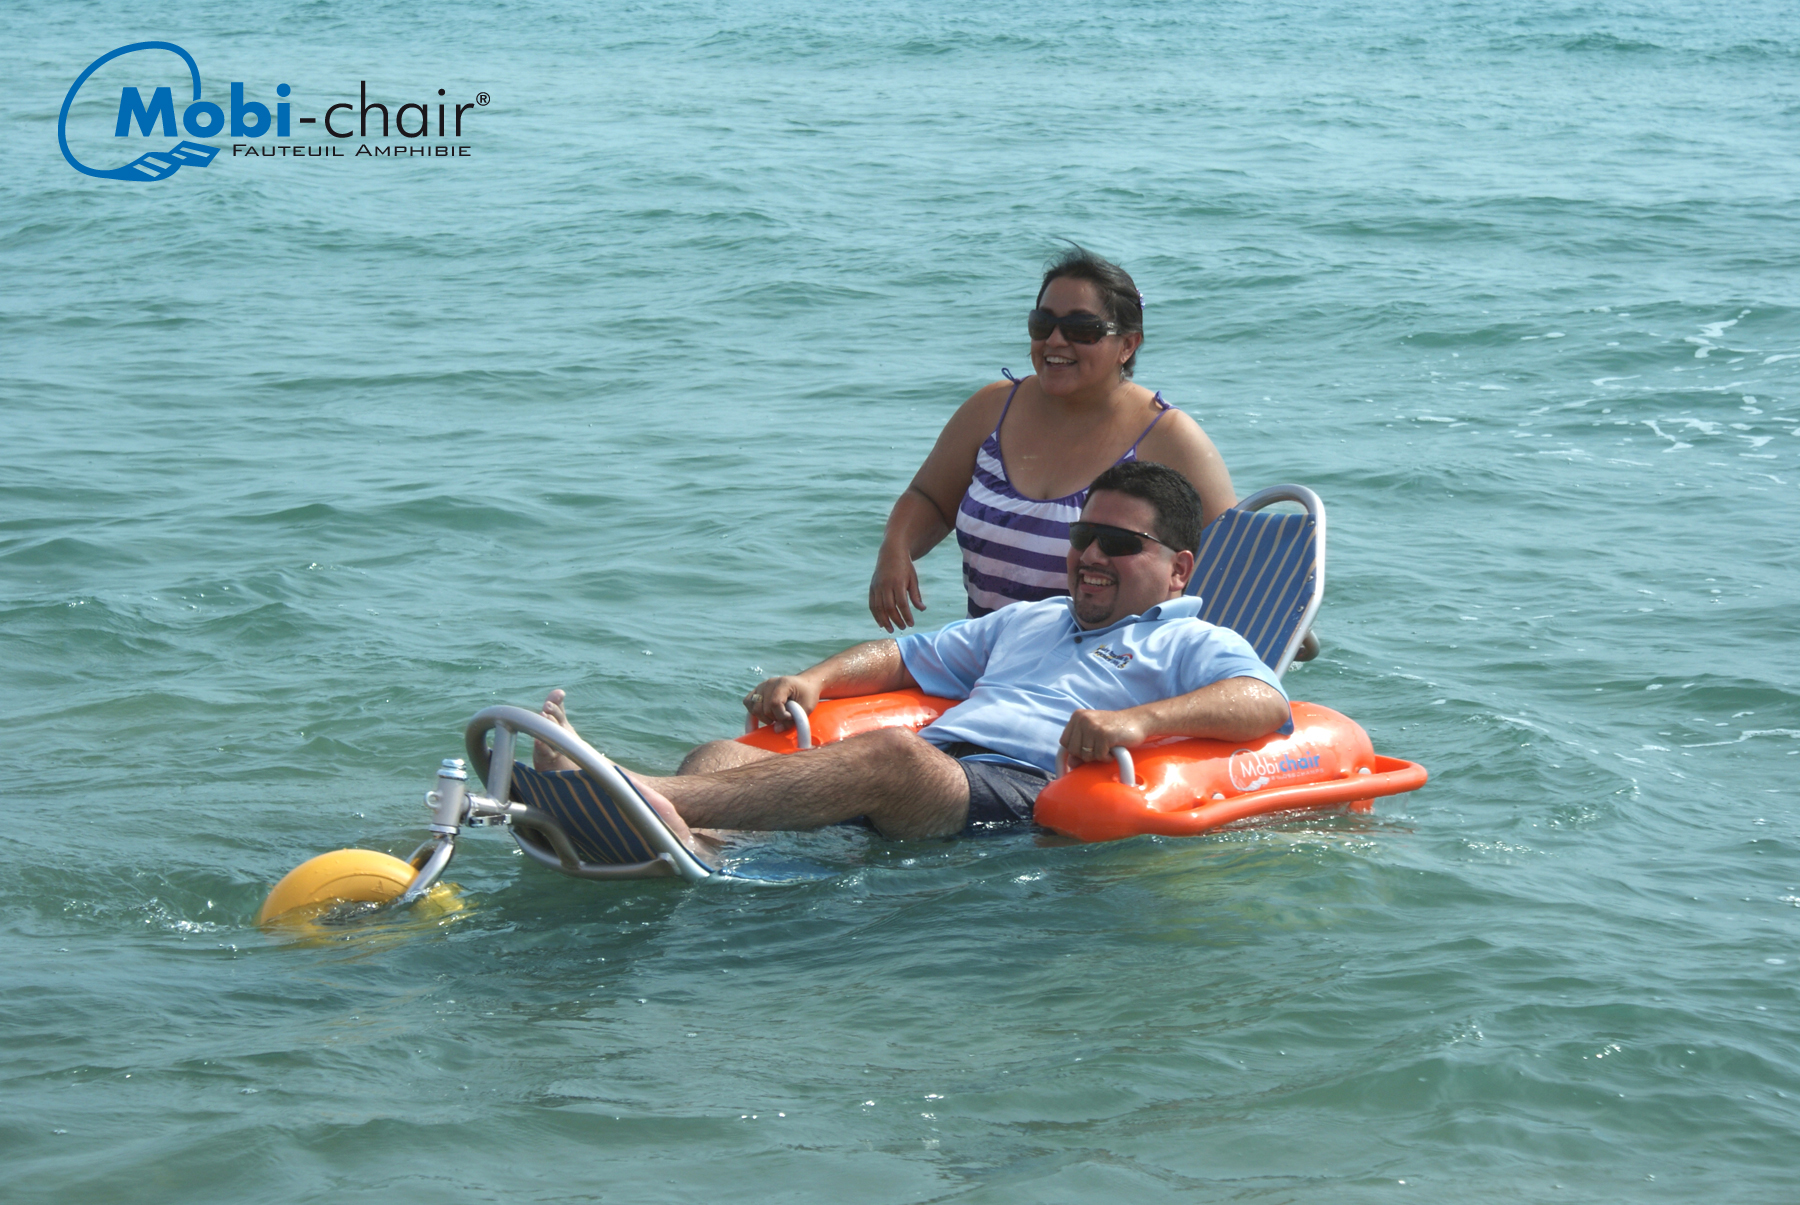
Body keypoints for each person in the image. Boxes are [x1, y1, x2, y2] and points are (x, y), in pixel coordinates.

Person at [535, 462, 1289, 845]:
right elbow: (904, 658)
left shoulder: (1192, 637)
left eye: (1120, 545)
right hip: (946, 768)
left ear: (1179, 570)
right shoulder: (1032, 619)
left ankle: (621, 791)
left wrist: (1138, 722)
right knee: (718, 756)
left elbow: (1267, 704)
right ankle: (697, 838)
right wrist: (815, 677)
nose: (1091, 555)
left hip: (1021, 797)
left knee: (891, 755)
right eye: (1082, 537)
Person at [868, 247, 1237, 632]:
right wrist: (895, 550)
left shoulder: (1168, 437)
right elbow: (929, 498)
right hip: (983, 658)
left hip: (1102, 669)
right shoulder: (992, 408)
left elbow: (1236, 561)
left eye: (1081, 330)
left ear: (1127, 345)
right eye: (1043, 325)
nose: (1056, 341)